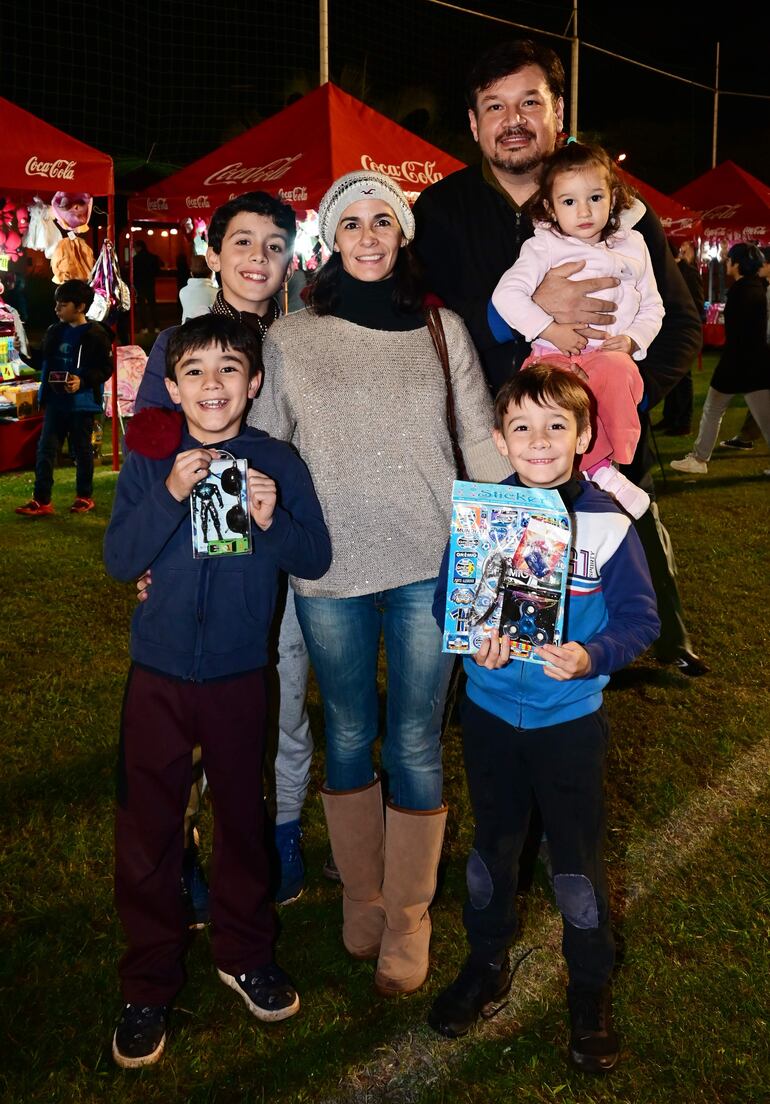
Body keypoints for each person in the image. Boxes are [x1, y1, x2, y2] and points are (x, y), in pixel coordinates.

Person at [253, 169, 512, 997]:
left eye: (383, 222)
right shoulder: (294, 337)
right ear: (330, 237)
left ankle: (409, 914)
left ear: (402, 235)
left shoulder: (442, 331)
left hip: (427, 566)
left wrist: (544, 507)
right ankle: (360, 894)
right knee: (352, 737)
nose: (369, 237)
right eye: (352, 223)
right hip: (329, 570)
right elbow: (264, 448)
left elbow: (481, 444)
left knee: (414, 740)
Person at [412, 37, 707, 676]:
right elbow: (427, 324)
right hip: (495, 441)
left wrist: (612, 397)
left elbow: (680, 322)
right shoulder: (439, 211)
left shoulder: (620, 208)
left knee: (611, 570)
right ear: (473, 122)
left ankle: (651, 641)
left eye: (529, 102)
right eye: (494, 106)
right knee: (504, 595)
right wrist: (525, 309)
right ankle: (496, 678)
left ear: (558, 111)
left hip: (600, 438)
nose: (512, 120)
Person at [103, 314, 331, 1068]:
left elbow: (315, 555)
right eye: (194, 371)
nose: (212, 386)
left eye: (230, 369)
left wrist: (268, 520)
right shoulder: (151, 456)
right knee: (149, 828)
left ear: (254, 383)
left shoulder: (278, 461)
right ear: (169, 386)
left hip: (239, 673)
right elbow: (118, 558)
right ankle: (148, 979)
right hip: (159, 674)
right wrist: (169, 490)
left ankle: (244, 949)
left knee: (241, 813)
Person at [428, 364, 660, 1072]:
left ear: (584, 435)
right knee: (491, 850)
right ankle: (487, 962)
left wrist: (592, 656)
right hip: (493, 717)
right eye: (522, 427)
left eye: (556, 426)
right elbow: (448, 603)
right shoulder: (481, 516)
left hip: (568, 724)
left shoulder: (608, 524)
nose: (538, 440)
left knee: (575, 864)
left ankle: (589, 987)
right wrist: (478, 641)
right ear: (499, 439)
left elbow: (639, 620)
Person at [134, 192, 313, 906]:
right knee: (197, 718)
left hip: (277, 550)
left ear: (291, 261)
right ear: (212, 255)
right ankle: (189, 845)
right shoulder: (176, 346)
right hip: (196, 563)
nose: (257, 260)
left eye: (274, 246)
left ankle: (283, 833)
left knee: (284, 699)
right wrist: (152, 550)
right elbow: (149, 445)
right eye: (242, 243)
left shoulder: (301, 341)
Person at [491, 140, 663, 518]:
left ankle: (611, 467)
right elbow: (507, 297)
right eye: (569, 202)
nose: (584, 211)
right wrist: (550, 329)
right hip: (555, 356)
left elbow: (654, 306)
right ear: (551, 207)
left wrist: (634, 338)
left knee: (620, 373)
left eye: (595, 198)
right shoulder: (544, 247)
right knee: (553, 411)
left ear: (613, 197)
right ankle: (590, 475)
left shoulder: (634, 244)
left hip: (608, 355)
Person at [15, 279, 112, 518]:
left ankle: (83, 497)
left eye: (63, 304)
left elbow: (105, 368)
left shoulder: (96, 334)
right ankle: (41, 500)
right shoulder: (55, 331)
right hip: (55, 403)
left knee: (82, 451)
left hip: (82, 404)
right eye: (57, 303)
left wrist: (84, 380)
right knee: (45, 450)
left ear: (80, 307)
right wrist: (23, 350)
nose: (57, 308)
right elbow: (42, 361)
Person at [671, 242, 770, 477]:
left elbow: (740, 335)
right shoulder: (756, 288)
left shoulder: (743, 291)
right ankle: (698, 458)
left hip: (739, 364)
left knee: (714, 409)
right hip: (754, 365)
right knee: (764, 418)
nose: (726, 263)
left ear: (737, 264)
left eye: (729, 260)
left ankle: (699, 458)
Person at [719, 245, 770, 450]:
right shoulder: (762, 287)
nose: (759, 267)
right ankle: (746, 436)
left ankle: (746, 436)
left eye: (764, 264)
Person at [656, 241, 705, 436]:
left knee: (683, 379)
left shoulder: (688, 273)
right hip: (667, 332)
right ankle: (670, 417)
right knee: (671, 379)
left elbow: (696, 304)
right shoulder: (667, 273)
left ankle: (684, 421)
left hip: (680, 333)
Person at [132, 239, 161, 333]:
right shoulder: (153, 257)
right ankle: (156, 326)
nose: (134, 249)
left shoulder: (135, 259)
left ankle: (143, 327)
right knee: (152, 306)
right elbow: (157, 270)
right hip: (150, 284)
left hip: (139, 285)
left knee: (141, 307)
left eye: (135, 247)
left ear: (139, 247)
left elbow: (133, 274)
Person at [178, 254, 218, 321]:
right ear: (211, 274)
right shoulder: (217, 293)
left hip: (186, 330)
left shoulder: (183, 291)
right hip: (210, 330)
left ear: (191, 273)